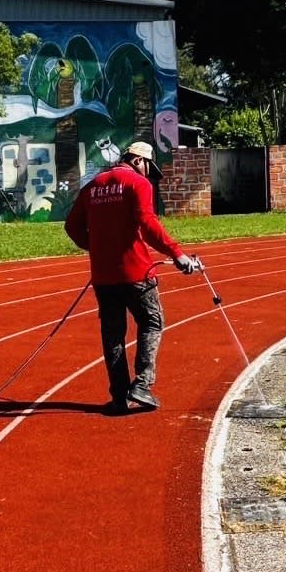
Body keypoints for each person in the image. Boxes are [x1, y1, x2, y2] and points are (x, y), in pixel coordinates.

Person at [64, 141, 198, 413]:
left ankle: (119, 397)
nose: (148, 174)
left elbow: (72, 226)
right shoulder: (138, 184)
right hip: (137, 271)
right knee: (152, 321)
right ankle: (142, 384)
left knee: (112, 335)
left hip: (104, 275)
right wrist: (176, 253)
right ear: (138, 160)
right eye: (148, 167)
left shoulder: (92, 187)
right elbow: (147, 224)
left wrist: (98, 248)